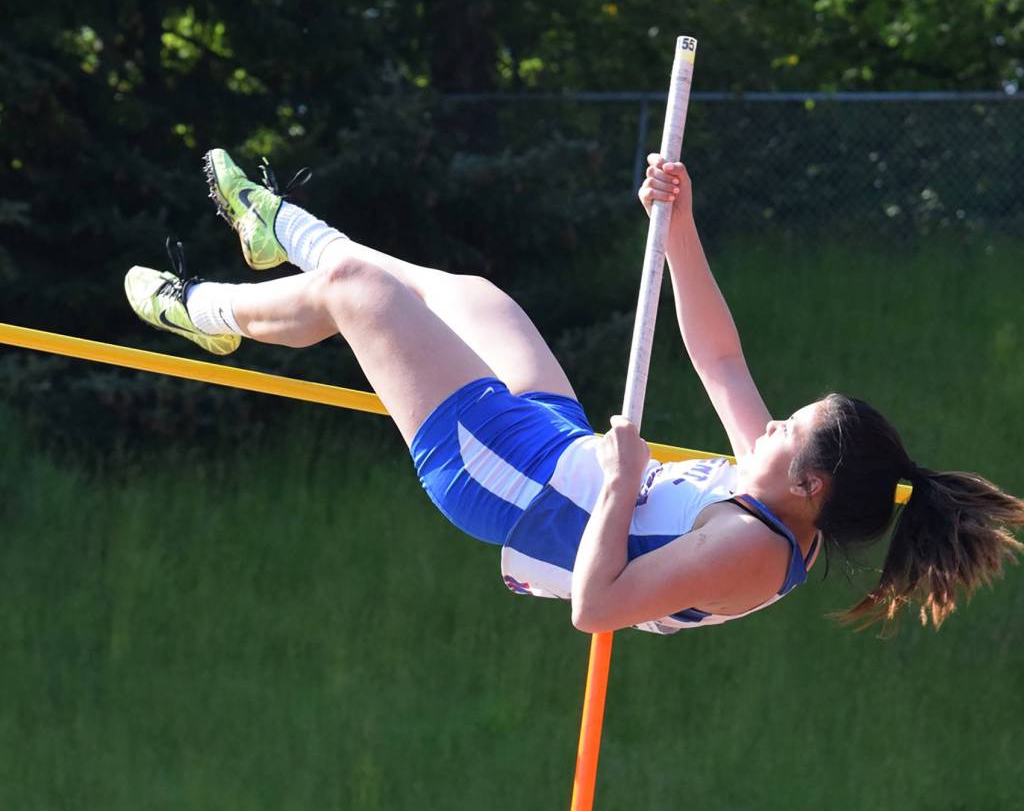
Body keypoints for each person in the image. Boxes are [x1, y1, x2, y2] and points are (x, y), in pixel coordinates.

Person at [124, 149, 1024, 635]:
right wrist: (679, 228)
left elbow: (599, 609)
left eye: (792, 426)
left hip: (514, 488)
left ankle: (204, 308)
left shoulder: (754, 551)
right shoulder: (778, 494)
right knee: (477, 299)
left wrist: (629, 483)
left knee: (360, 297)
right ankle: (276, 228)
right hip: (559, 454)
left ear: (815, 484)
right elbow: (720, 360)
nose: (773, 426)